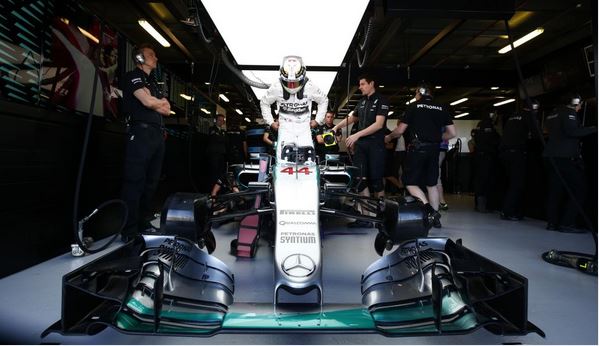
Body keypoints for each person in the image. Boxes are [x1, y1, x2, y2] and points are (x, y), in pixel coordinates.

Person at [385, 84, 456, 228]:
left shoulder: (414, 106)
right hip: (434, 149)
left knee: (409, 182)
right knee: (432, 183)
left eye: (416, 93)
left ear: (420, 92)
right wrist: (436, 137)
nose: (415, 96)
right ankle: (435, 219)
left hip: (417, 149)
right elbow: (452, 133)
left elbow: (400, 130)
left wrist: (389, 137)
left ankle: (429, 210)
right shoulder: (441, 107)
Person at [121, 43, 171, 241]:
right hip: (140, 134)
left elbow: (166, 109)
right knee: (135, 182)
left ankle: (143, 223)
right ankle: (129, 230)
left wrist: (155, 101)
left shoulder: (151, 83)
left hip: (156, 136)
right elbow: (148, 103)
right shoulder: (133, 76)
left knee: (151, 183)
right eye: (152, 55)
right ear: (140, 59)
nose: (156, 58)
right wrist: (155, 102)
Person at [332, 74, 389, 228]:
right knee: (360, 181)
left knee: (376, 181)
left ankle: (381, 217)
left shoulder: (381, 100)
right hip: (362, 147)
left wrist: (356, 134)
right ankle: (365, 218)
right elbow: (352, 118)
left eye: (363, 84)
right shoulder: (362, 102)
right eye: (360, 84)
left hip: (376, 145)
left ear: (372, 83)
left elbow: (378, 125)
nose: (361, 87)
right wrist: (337, 126)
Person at [542, 93, 596, 232]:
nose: (579, 107)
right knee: (580, 189)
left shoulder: (551, 114)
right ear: (575, 103)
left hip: (551, 156)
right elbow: (572, 132)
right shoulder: (569, 113)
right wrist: (594, 128)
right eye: (579, 104)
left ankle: (552, 223)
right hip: (564, 157)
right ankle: (567, 223)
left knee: (555, 191)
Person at [260, 55, 328, 161]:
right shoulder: (276, 87)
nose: (291, 86)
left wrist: (318, 120)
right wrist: (271, 122)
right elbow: (264, 102)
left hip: (304, 130)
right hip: (285, 130)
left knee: (308, 162)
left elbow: (323, 100)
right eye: (288, 82)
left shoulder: (310, 86)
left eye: (295, 82)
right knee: (282, 161)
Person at [499, 100, 539, 221]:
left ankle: (509, 210)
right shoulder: (529, 117)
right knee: (517, 184)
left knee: (511, 183)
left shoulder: (512, 117)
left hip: (505, 153)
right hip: (517, 153)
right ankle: (509, 212)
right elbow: (537, 135)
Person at [471, 111, 501, 213]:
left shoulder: (479, 125)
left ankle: (478, 204)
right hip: (488, 157)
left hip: (478, 156)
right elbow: (496, 141)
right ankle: (486, 205)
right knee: (487, 180)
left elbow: (474, 139)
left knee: (479, 179)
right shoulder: (491, 127)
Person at [207, 113, 228, 194]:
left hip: (221, 154)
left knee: (220, 173)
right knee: (213, 173)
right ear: (216, 120)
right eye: (219, 120)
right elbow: (215, 139)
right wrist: (221, 137)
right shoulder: (211, 129)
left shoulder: (223, 132)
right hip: (213, 154)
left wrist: (220, 137)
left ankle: (218, 190)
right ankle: (212, 190)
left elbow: (226, 141)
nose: (221, 122)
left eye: (222, 121)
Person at [437, 129, 450, 211]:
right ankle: (440, 201)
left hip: (437, 148)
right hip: (441, 148)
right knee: (436, 174)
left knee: (435, 174)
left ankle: (441, 201)